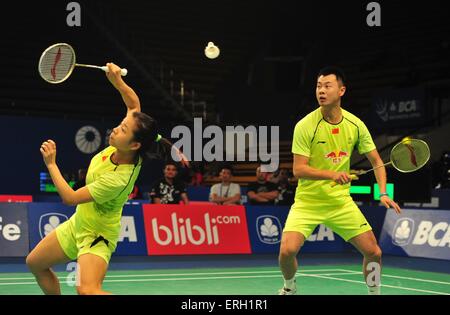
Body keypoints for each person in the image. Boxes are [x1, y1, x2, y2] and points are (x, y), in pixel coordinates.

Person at [26, 63, 188, 295]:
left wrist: (51, 164)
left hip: (97, 234)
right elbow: (133, 104)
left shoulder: (119, 179)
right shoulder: (126, 143)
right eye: (120, 125)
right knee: (35, 263)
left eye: (122, 130)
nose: (115, 129)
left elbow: (70, 198)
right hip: (78, 225)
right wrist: (118, 83)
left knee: (88, 291)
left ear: (134, 145)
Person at [278, 66, 401, 295]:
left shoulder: (355, 125)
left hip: (340, 203)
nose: (321, 91)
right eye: (318, 86)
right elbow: (299, 169)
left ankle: (374, 293)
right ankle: (289, 286)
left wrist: (383, 193)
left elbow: (376, 161)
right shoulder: (305, 126)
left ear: (341, 90)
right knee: (287, 251)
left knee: (374, 252)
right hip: (308, 202)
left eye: (327, 86)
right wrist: (332, 174)